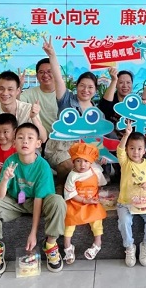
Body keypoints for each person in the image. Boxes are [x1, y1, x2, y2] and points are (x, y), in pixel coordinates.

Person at [0, 122, 66, 275]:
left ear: (38, 143)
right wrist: (5, 180)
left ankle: (51, 245)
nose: (25, 141)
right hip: (15, 202)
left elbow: (39, 199)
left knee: (58, 201)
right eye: (20, 138)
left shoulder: (43, 166)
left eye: (30, 138)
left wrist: (33, 233)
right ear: (14, 143)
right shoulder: (10, 162)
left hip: (37, 203)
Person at [41, 35, 99, 193]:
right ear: (76, 86)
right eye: (82, 86)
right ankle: (60, 188)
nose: (85, 90)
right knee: (69, 165)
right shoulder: (66, 100)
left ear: (95, 90)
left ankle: (80, 195)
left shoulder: (95, 111)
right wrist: (52, 55)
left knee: (96, 173)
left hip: (84, 151)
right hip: (61, 148)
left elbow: (97, 137)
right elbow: (58, 79)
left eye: (90, 87)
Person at [117, 120, 146, 267]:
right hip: (125, 203)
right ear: (127, 149)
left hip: (142, 202)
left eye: (139, 148)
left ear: (145, 150)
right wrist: (126, 135)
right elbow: (120, 150)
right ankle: (129, 247)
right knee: (124, 222)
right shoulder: (125, 163)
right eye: (132, 148)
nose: (135, 152)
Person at [63, 142, 107, 264]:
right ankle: (67, 246)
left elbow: (100, 184)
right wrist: (83, 200)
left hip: (91, 202)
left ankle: (97, 243)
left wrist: (97, 197)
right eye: (78, 161)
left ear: (91, 162)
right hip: (75, 202)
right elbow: (71, 194)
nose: (82, 165)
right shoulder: (72, 176)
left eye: (86, 161)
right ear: (73, 162)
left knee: (97, 219)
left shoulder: (96, 171)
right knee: (69, 220)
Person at [19, 57, 59, 141]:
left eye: (49, 71)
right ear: (37, 76)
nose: (45, 75)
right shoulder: (29, 93)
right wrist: (19, 87)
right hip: (38, 140)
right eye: (41, 72)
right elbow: (16, 103)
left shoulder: (64, 94)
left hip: (60, 140)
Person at [98, 66, 134, 139]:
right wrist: (114, 80)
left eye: (128, 82)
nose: (125, 86)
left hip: (132, 142)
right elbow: (104, 106)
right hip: (112, 141)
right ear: (116, 85)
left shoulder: (136, 103)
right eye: (121, 82)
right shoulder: (111, 99)